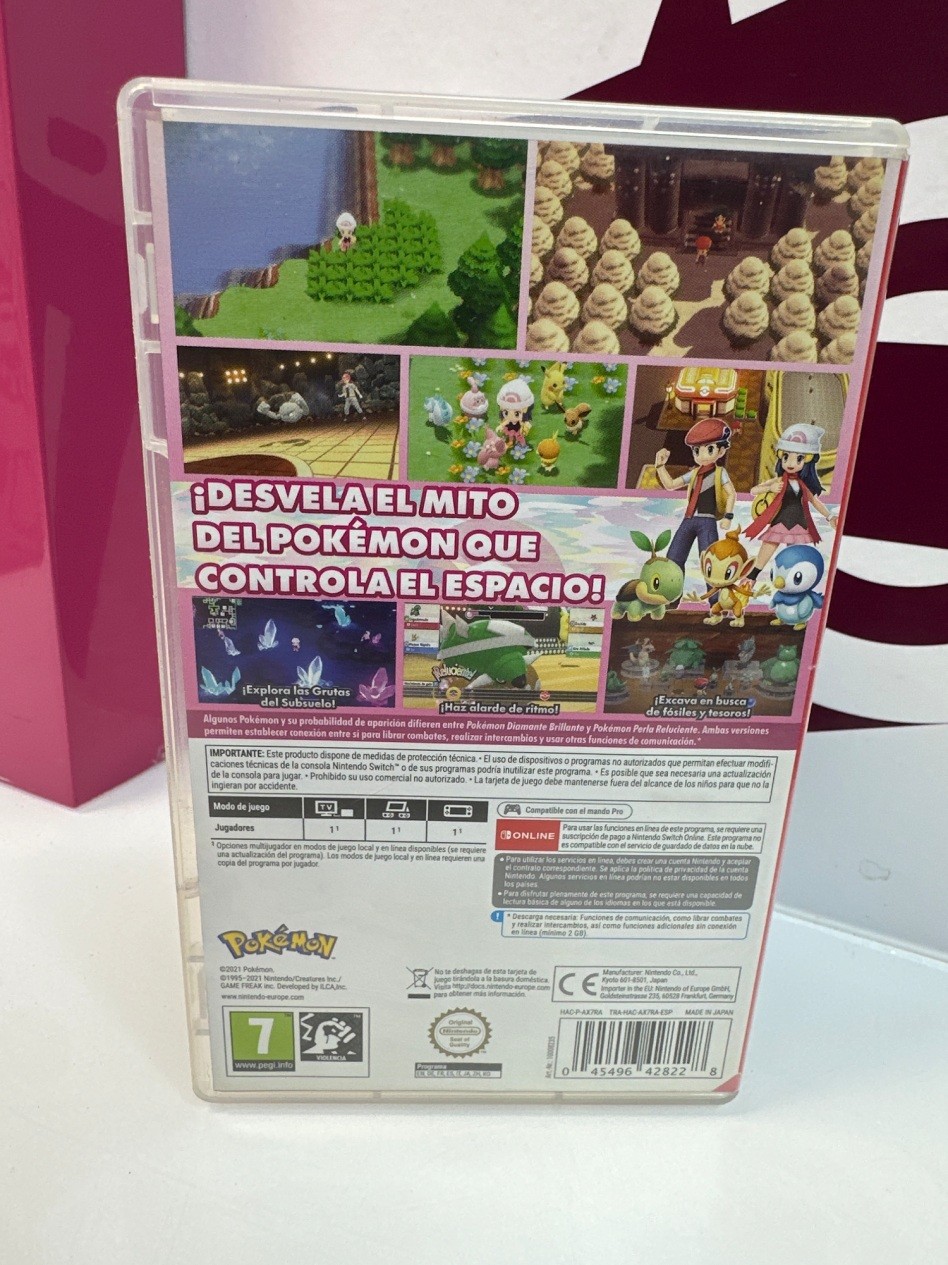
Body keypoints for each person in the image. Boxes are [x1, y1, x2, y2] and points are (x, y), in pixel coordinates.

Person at [745, 423, 837, 579]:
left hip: (798, 523)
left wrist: (830, 517)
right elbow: (754, 491)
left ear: (807, 462)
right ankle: (752, 576)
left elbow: (814, 502)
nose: (790, 463)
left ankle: (790, 580)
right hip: (781, 520)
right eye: (786, 457)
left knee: (794, 556)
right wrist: (770, 487)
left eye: (799, 458)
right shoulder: (779, 480)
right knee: (769, 545)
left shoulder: (803, 485)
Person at [654, 417, 736, 578]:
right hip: (689, 519)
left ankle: (713, 594)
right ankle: (673, 591)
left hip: (707, 521)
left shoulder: (720, 473)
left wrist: (728, 516)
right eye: (697, 450)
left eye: (710, 449)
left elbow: (731, 494)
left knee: (710, 561)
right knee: (674, 557)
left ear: (721, 451)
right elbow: (670, 485)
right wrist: (660, 466)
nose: (702, 455)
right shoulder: (694, 473)